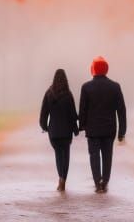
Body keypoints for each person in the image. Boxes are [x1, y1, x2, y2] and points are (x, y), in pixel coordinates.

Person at [78, 56, 127, 194]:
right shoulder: (115, 87)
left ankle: (97, 182)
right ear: (106, 69)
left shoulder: (86, 87)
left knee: (94, 156)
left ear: (92, 69)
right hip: (109, 128)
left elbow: (83, 110)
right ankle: (104, 181)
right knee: (107, 156)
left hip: (92, 129)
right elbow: (121, 111)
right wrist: (122, 132)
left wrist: (81, 125)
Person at [39, 69, 79, 192]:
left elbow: (43, 114)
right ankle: (63, 179)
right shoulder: (68, 94)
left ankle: (60, 178)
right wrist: (75, 129)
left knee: (58, 155)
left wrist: (45, 127)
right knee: (66, 156)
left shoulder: (49, 93)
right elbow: (73, 115)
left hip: (54, 131)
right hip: (66, 131)